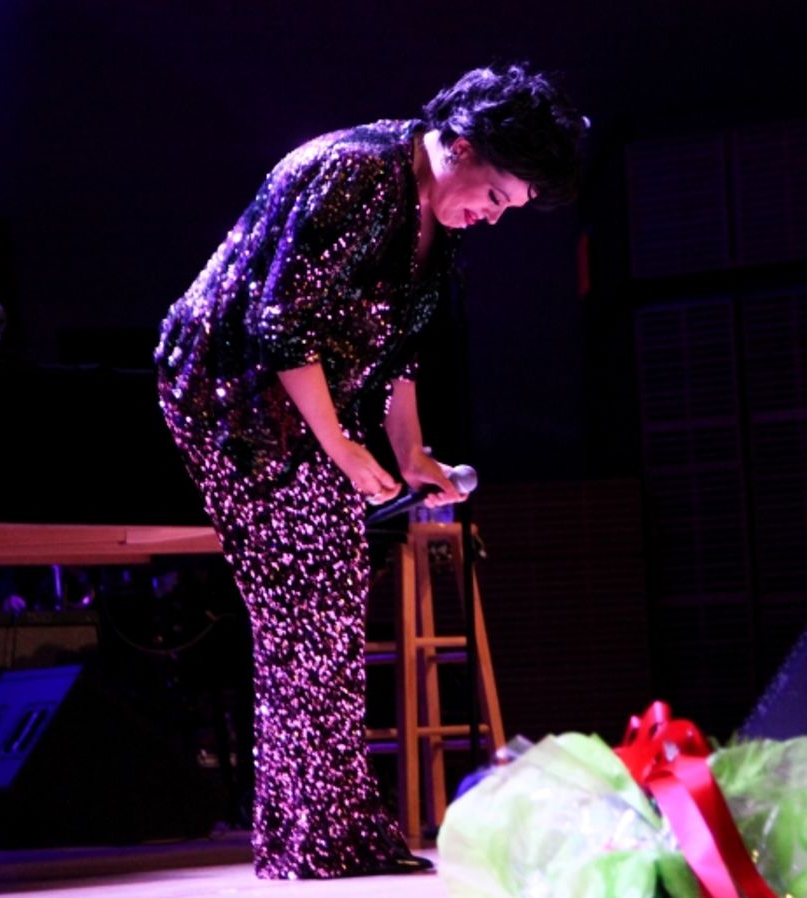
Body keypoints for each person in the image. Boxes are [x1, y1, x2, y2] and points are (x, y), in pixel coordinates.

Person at [153, 62, 586, 879]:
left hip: (302, 402)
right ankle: (316, 839)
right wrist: (346, 450)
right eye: (495, 197)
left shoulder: (434, 222)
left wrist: (410, 453)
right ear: (460, 145)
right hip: (228, 391)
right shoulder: (356, 174)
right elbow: (281, 324)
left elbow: (399, 352)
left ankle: (314, 836)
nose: (492, 219)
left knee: (325, 602)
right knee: (303, 607)